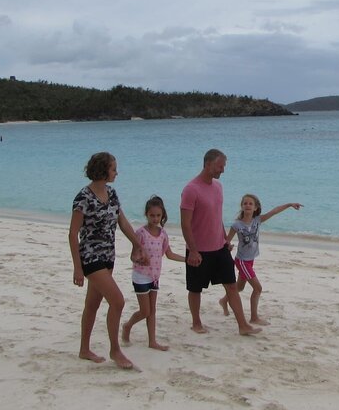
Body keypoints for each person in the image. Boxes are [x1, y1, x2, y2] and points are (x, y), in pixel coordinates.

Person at [68, 151, 146, 369]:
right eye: (113, 169)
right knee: (118, 301)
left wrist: (137, 244)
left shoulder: (111, 193)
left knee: (92, 305)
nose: (116, 173)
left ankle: (84, 349)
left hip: (108, 256)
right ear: (103, 170)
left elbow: (123, 222)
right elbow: (73, 234)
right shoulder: (83, 197)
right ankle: (115, 350)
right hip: (90, 257)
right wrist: (77, 268)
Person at [180, 149, 261, 335]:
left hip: (219, 247)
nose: (223, 170)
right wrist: (193, 251)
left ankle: (243, 326)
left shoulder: (218, 187)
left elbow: (216, 217)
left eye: (224, 166)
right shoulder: (191, 189)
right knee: (195, 289)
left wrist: (225, 239)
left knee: (231, 285)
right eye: (220, 166)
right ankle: (196, 323)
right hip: (198, 250)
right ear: (208, 164)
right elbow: (185, 224)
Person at [218, 194, 302, 325]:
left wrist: (289, 205)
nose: (247, 205)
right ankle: (254, 318)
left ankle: (224, 301)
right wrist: (228, 246)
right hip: (242, 261)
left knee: (239, 287)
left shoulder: (258, 220)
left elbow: (274, 211)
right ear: (242, 206)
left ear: (255, 208)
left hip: (250, 260)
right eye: (245, 203)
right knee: (258, 288)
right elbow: (226, 240)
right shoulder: (236, 225)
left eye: (250, 204)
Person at [122, 195, 185, 350]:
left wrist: (187, 260)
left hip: (155, 277)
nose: (155, 219)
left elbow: (169, 254)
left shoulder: (163, 234)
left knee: (152, 310)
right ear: (146, 215)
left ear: (162, 215)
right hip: (140, 276)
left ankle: (152, 341)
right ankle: (128, 325)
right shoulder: (140, 233)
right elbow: (133, 256)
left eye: (158, 215)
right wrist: (139, 259)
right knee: (145, 311)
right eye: (152, 215)